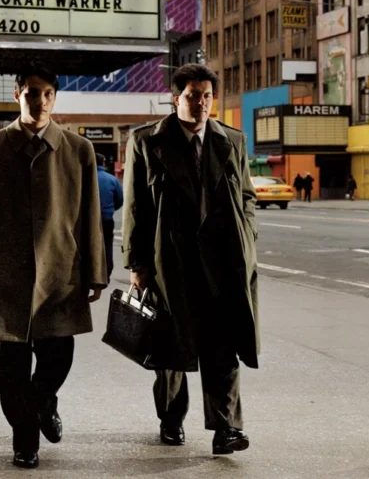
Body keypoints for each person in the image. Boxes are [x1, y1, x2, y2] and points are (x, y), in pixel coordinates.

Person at [0, 66, 105, 470]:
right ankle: (24, 443)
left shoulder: (79, 149)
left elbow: (91, 216)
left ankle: (43, 402)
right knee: (11, 366)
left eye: (46, 94)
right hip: (6, 272)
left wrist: (95, 271)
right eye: (31, 93)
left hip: (62, 272)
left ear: (55, 99)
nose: (39, 101)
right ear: (16, 96)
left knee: (58, 356)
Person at [122, 63, 259, 456]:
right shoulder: (148, 141)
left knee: (223, 345)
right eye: (191, 96)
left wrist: (248, 235)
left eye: (206, 96)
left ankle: (226, 427)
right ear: (176, 98)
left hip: (222, 264)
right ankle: (170, 417)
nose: (200, 103)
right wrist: (137, 266)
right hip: (170, 263)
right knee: (170, 350)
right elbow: (135, 207)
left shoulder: (231, 141)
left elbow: (246, 196)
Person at [95, 153, 124, 283]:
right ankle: (105, 274)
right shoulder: (112, 179)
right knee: (107, 246)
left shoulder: (83, 177)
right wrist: (110, 210)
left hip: (87, 220)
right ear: (103, 163)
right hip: (106, 219)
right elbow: (120, 200)